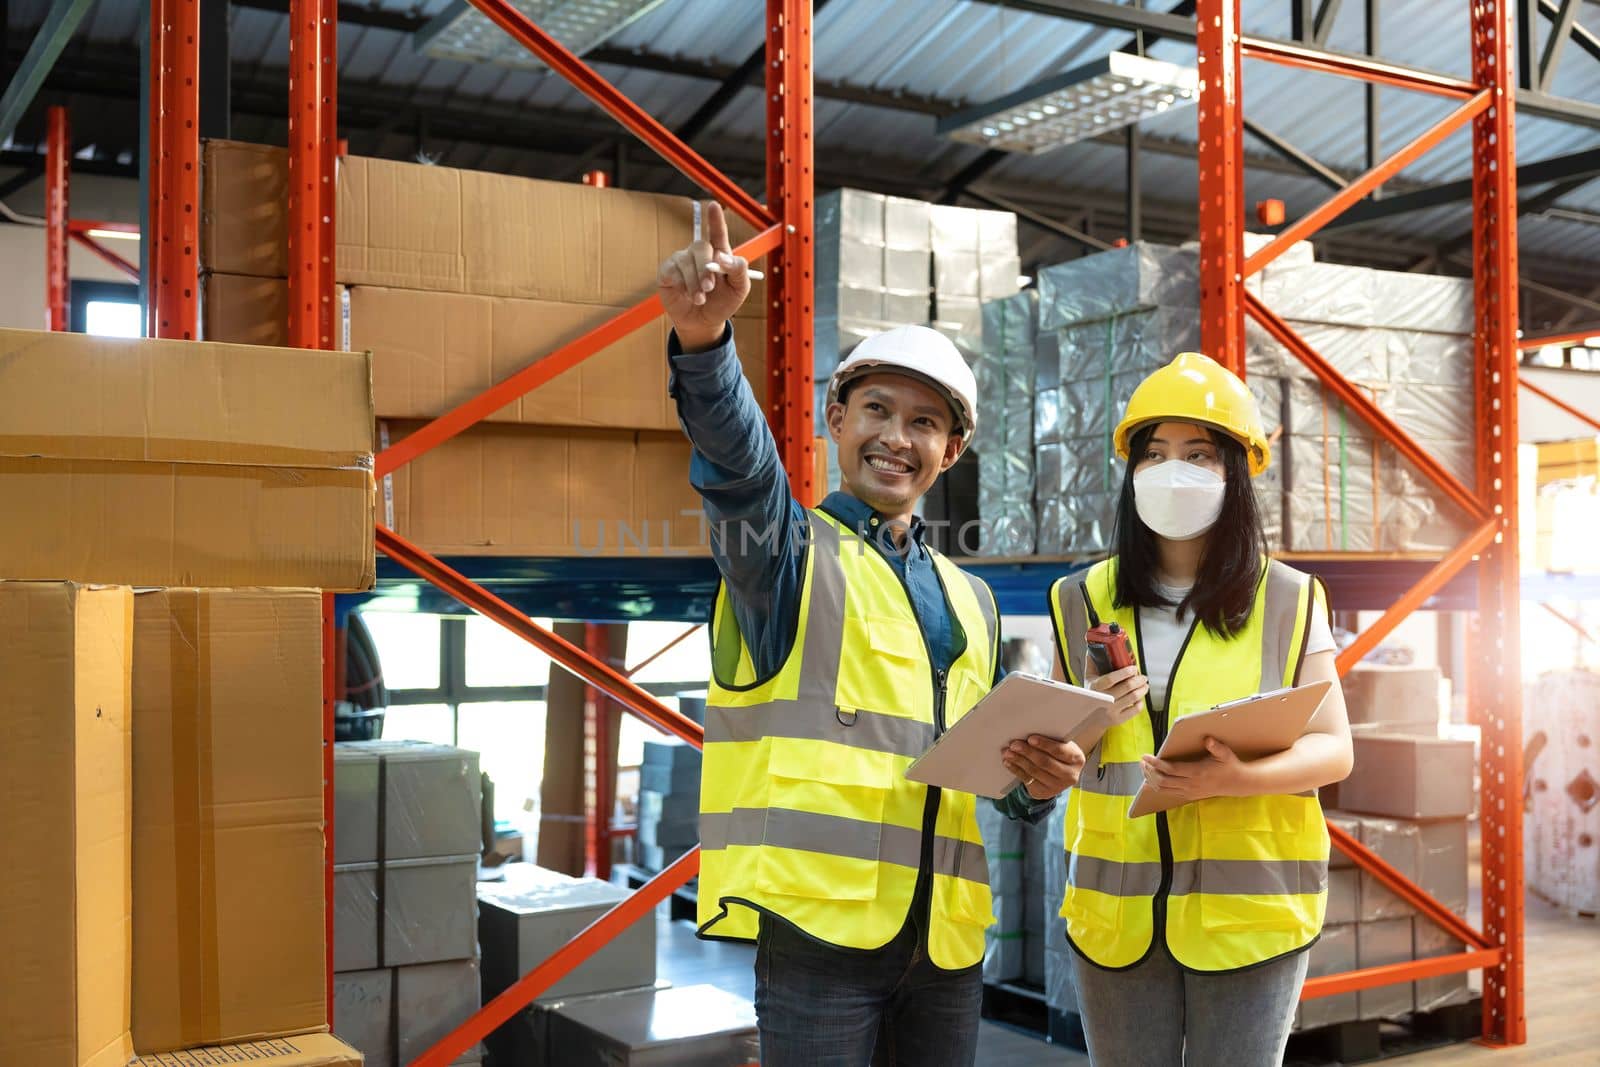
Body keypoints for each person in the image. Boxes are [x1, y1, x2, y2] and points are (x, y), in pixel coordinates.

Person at [657, 202, 1084, 1066]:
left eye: (924, 423)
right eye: (877, 410)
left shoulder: (973, 600)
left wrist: (1040, 782)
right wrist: (706, 350)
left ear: (952, 451)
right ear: (834, 418)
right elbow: (738, 474)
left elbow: (990, 780)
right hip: (820, 936)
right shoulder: (784, 556)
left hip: (948, 944)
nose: (897, 437)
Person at [1045, 351, 1354, 1066]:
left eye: (1197, 454)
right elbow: (1056, 759)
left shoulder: (1288, 598)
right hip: (1115, 914)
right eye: (1153, 454)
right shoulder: (1080, 598)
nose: (1171, 471)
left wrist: (1231, 778)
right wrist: (1082, 720)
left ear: (1235, 473)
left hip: (1249, 917)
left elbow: (1334, 747)